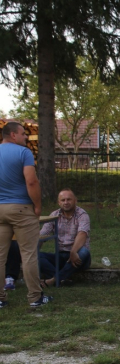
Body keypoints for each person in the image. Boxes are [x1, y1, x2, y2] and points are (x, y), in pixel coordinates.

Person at [0, 121, 52, 308]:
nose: (26, 137)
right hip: (21, 208)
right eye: (23, 134)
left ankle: (0, 298)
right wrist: (37, 206)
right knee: (29, 254)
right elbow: (31, 182)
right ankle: (35, 297)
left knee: (0, 255)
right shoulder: (24, 153)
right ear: (13, 135)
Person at [38, 189, 92, 287]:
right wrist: (35, 248)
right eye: (63, 200)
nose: (66, 203)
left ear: (75, 200)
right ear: (59, 202)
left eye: (69, 199)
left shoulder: (82, 215)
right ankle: (62, 279)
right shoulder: (54, 215)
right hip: (61, 256)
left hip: (78, 256)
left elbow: (82, 234)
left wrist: (73, 251)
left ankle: (53, 280)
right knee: (35, 255)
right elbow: (42, 234)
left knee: (84, 252)